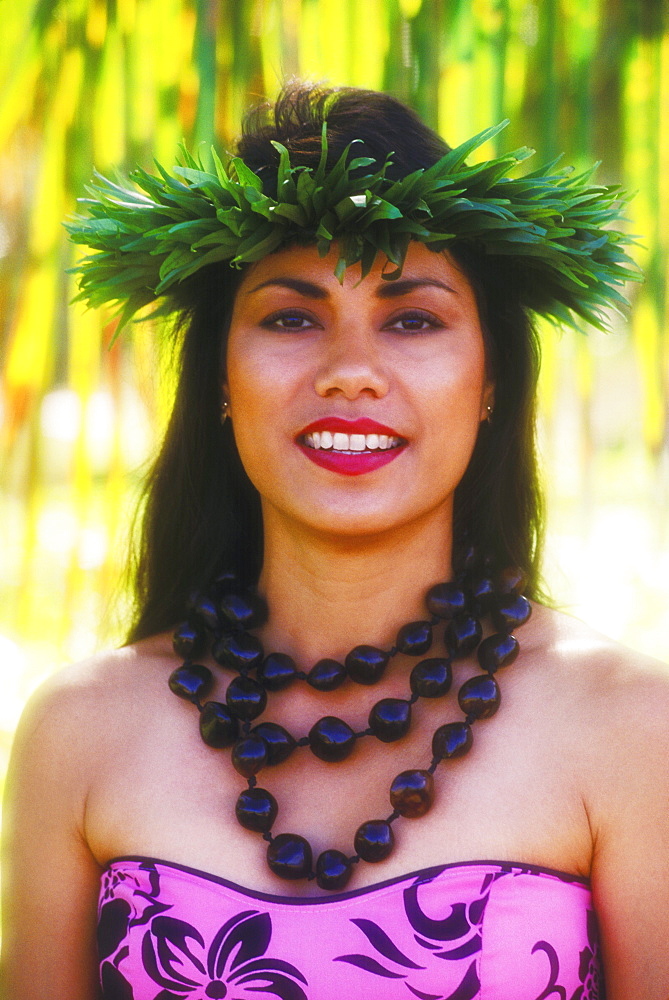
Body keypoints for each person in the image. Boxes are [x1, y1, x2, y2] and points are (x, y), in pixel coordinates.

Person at [2, 82, 668, 1000]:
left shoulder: (633, 728)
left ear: (489, 384)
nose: (350, 372)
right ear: (220, 381)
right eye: (289, 316)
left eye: (411, 319)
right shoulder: (81, 734)